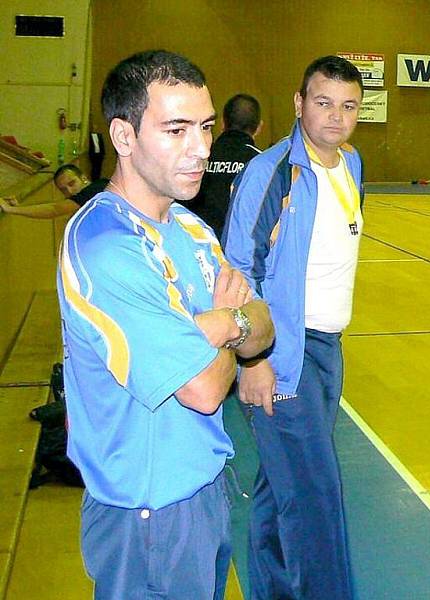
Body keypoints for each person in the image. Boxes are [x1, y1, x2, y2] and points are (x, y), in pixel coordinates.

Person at [56, 50, 274, 600]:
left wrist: (219, 326)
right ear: (123, 137)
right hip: (146, 514)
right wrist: (231, 322)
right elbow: (202, 389)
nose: (200, 149)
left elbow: (265, 325)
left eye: (204, 127)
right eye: (176, 130)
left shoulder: (192, 228)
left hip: (203, 488)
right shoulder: (105, 247)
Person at [224, 55, 364, 600]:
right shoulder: (272, 171)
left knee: (276, 490)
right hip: (285, 354)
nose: (335, 116)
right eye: (323, 102)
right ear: (299, 104)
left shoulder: (351, 165)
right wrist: (254, 360)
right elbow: (239, 272)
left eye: (348, 106)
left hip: (329, 351)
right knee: (315, 498)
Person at [191, 93, 262, 237]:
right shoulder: (262, 163)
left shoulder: (197, 156)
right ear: (259, 127)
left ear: (222, 123)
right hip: (238, 252)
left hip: (195, 245)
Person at [0, 164, 108, 219]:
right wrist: (18, 207)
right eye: (63, 189)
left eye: (72, 183)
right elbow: (54, 206)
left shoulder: (97, 189)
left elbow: (55, 209)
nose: (70, 191)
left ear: (83, 178)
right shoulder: (83, 201)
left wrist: (11, 209)